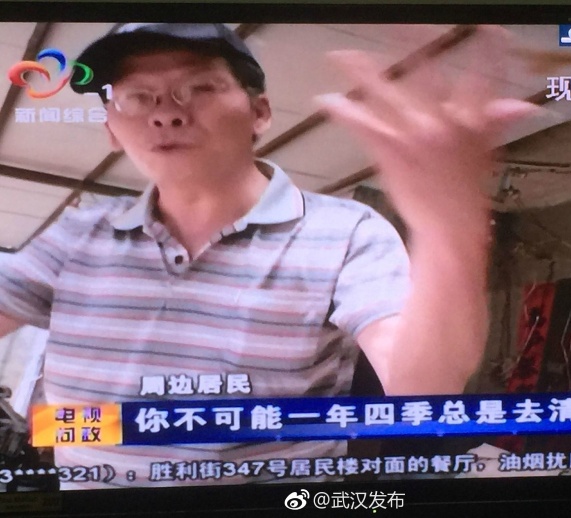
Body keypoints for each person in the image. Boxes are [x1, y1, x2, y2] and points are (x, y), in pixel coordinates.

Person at [0, 24, 535, 488]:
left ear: (260, 112)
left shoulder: (345, 232)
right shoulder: (78, 234)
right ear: (110, 129)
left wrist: (449, 226)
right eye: (137, 97)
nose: (165, 114)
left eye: (198, 88)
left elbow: (423, 389)